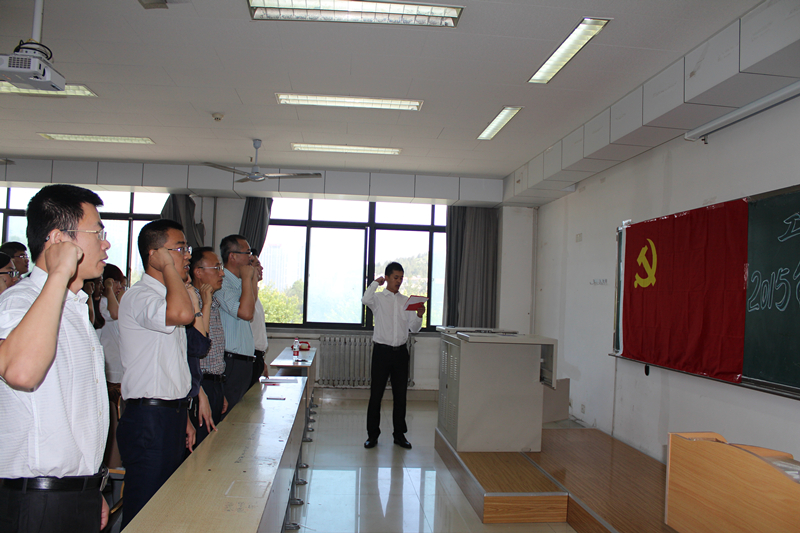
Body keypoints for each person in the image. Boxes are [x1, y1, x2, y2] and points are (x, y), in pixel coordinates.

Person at [0, 184, 111, 533]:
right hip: (37, 502)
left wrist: (90, 486)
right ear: (59, 240)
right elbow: (21, 372)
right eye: (97, 233)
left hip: (75, 493)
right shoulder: (20, 302)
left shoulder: (76, 308)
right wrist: (59, 271)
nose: (106, 244)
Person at [116, 219, 195, 528]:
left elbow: (171, 364)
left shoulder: (167, 295)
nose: (187, 255)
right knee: (144, 508)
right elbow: (183, 314)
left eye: (186, 248)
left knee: (165, 506)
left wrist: (183, 413)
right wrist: (170, 270)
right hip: (148, 419)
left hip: (169, 413)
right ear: (155, 255)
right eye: (179, 249)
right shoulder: (141, 296)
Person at [362, 262, 424, 450]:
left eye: (401, 278)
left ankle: (399, 435)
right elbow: (365, 299)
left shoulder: (406, 301)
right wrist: (376, 282)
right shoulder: (378, 299)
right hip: (382, 352)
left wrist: (419, 315)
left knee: (400, 396)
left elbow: (414, 328)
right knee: (376, 395)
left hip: (400, 354)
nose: (399, 281)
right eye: (395, 277)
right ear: (387, 277)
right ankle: (372, 435)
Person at [190, 247, 228, 444]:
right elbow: (196, 346)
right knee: (201, 448)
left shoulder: (211, 301)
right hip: (201, 385)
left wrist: (219, 389)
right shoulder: (192, 302)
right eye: (216, 268)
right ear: (198, 272)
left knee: (213, 445)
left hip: (214, 383)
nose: (222, 273)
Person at [216, 234, 257, 410]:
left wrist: (250, 278)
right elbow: (246, 313)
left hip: (243, 362)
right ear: (232, 256)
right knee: (228, 414)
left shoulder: (239, 283)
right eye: (247, 253)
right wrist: (247, 278)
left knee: (239, 414)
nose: (251, 257)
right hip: (231, 361)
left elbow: (252, 306)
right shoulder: (222, 283)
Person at [98, 263, 126, 469]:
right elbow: (115, 313)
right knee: (112, 423)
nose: (118, 286)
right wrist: (108, 289)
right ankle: (113, 467)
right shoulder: (103, 303)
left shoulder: (114, 301)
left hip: (119, 372)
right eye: (115, 282)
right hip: (110, 375)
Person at [249, 253, 269, 386]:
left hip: (257, 357)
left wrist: (261, 361)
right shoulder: (246, 296)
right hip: (250, 357)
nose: (261, 268)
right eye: (257, 265)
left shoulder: (255, 295)